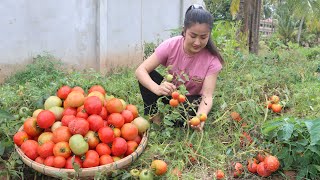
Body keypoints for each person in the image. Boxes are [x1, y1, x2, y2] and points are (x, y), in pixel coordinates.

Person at [135, 4, 224, 131]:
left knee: (189, 114)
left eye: (203, 37)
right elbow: (140, 70)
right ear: (184, 31)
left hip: (190, 102)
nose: (197, 42)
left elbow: (207, 96)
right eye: (193, 36)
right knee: (149, 76)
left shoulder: (212, 60)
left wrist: (199, 117)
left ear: (209, 35)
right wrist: (158, 88)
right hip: (171, 95)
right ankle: (156, 120)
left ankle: (178, 121)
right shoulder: (171, 45)